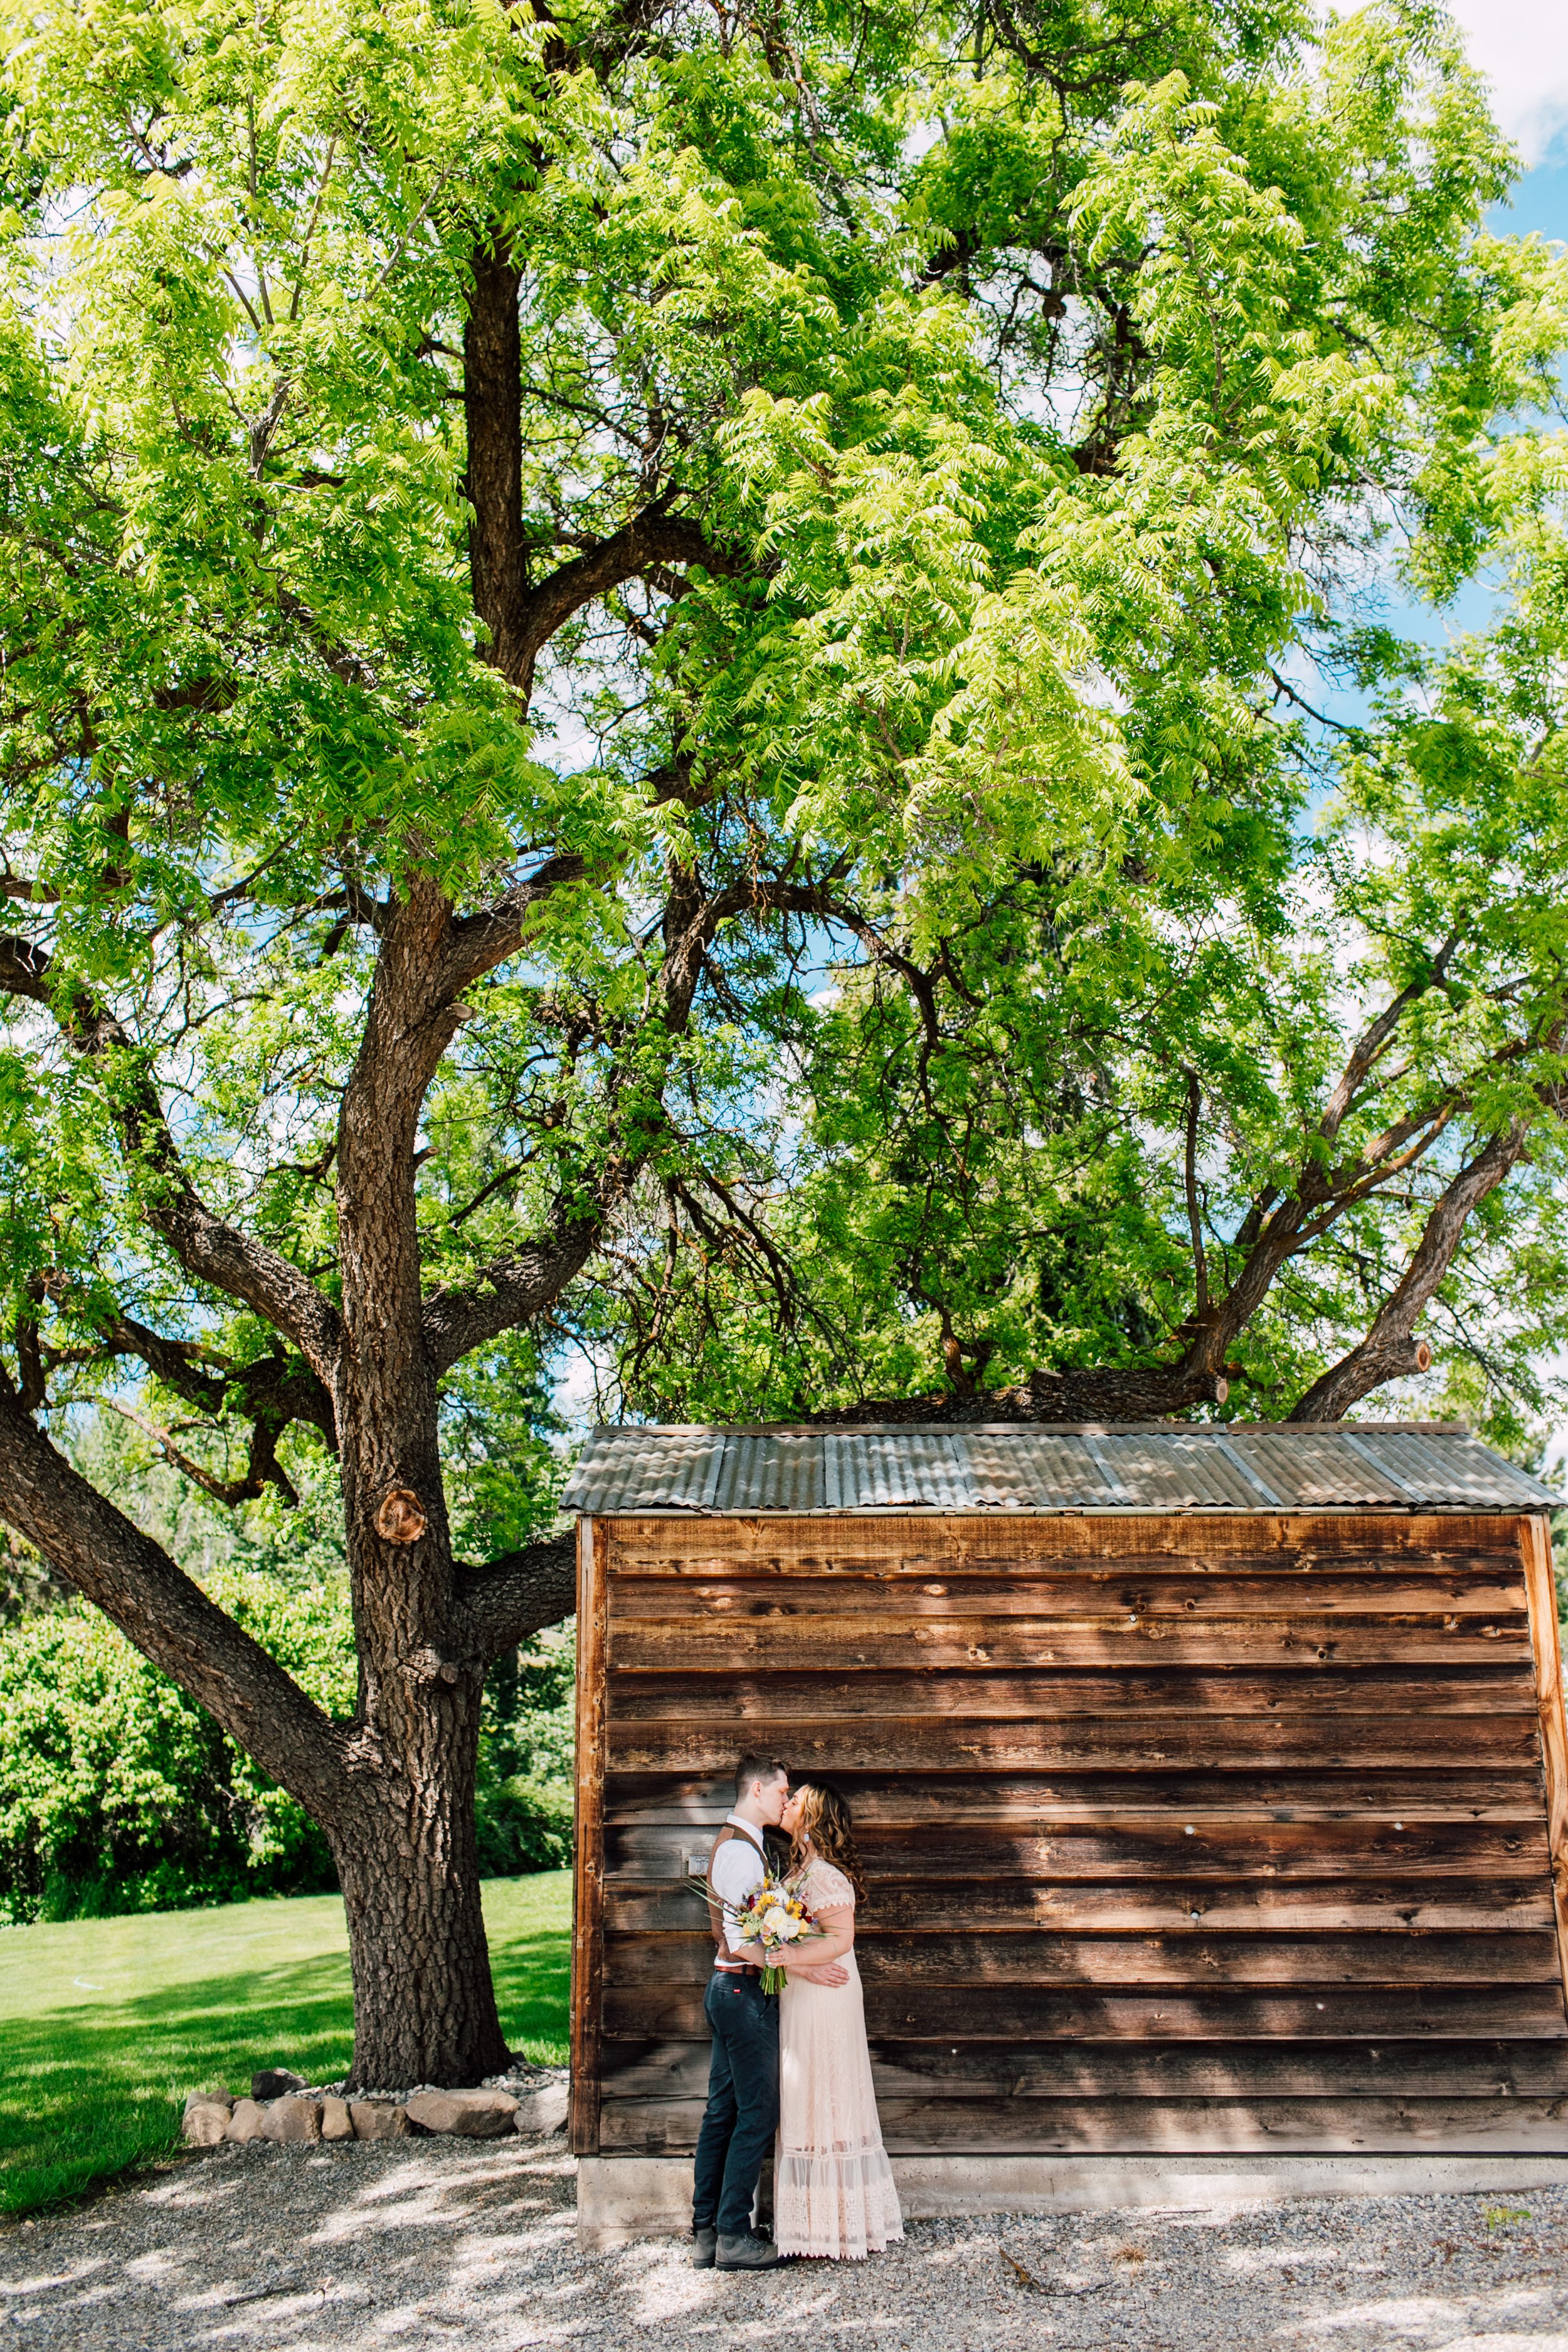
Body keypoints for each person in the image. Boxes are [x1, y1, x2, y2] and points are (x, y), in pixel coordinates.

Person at [691, 1754, 848, 2272]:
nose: (787, 1801)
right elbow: (739, 1941)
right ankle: (733, 2233)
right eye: (782, 1792)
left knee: (725, 2112)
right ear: (758, 1790)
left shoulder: (748, 1845)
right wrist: (804, 1968)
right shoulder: (740, 1853)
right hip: (740, 1992)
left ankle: (708, 2230)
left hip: (730, 1992)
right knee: (756, 2114)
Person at [773, 1779, 903, 2260]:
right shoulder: (798, 1869)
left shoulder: (825, 1875)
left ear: (811, 1817)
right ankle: (811, 2223)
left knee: (827, 2086)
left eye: (795, 1801)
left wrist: (785, 1955)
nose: (785, 1805)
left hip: (827, 1992)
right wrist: (786, 1956)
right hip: (803, 1988)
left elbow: (841, 1938)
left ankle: (844, 2224)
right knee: (805, 2087)